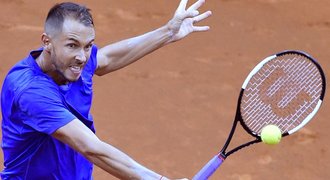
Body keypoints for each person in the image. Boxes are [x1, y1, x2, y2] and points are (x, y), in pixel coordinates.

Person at [0, 0, 211, 179]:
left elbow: (106, 59)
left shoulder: (71, 65)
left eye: (88, 45)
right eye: (72, 45)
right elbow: (92, 148)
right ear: (47, 42)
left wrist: (167, 32)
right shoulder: (30, 92)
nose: (82, 57)